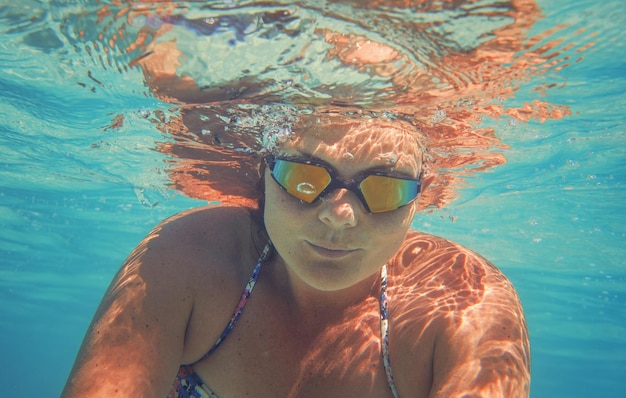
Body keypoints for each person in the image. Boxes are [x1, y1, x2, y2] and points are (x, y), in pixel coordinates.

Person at [62, 113, 530, 397]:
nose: (341, 215)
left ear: (418, 200)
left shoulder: (467, 301)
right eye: (305, 177)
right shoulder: (185, 258)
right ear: (264, 175)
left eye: (385, 189)